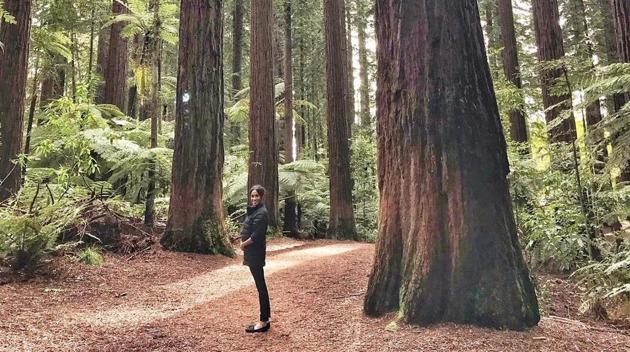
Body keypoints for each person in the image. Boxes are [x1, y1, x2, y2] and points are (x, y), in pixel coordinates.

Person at [240, 185, 271, 333]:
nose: (254, 199)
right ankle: (265, 318)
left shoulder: (262, 213)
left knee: (261, 287)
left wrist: (243, 244)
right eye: (252, 196)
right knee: (261, 286)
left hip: (255, 253)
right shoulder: (255, 211)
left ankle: (263, 321)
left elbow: (256, 235)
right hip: (252, 253)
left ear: (261, 197)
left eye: (256, 196)